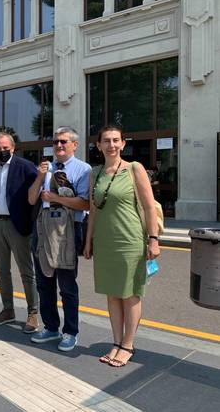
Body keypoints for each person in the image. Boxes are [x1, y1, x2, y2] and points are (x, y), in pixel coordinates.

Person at [84, 125, 160, 367]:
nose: (112, 145)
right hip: (105, 242)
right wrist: (89, 240)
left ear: (123, 144)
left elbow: (149, 207)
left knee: (130, 294)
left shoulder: (134, 169)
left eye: (116, 140)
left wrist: (153, 239)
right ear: (98, 145)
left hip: (130, 240)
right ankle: (116, 342)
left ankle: (128, 345)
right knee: (112, 294)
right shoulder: (94, 173)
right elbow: (93, 210)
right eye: (106, 140)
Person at [28, 127, 91, 351]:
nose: (59, 146)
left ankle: (71, 331)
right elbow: (32, 198)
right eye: (55, 142)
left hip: (68, 228)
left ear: (75, 144)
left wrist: (55, 197)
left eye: (64, 141)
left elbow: (85, 203)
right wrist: (40, 176)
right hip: (44, 227)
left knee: (66, 285)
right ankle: (51, 327)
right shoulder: (47, 168)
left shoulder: (83, 170)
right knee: (44, 283)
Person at [0, 132, 39, 333]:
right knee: (1, 272)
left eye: (5, 148)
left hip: (18, 226)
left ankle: (33, 313)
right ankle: (8, 310)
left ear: (13, 147)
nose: (1, 151)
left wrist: (30, 222)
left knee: (27, 272)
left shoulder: (25, 167)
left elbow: (36, 195)